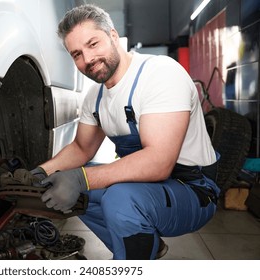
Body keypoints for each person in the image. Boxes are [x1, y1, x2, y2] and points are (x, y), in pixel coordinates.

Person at [30, 4, 220, 260]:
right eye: (76, 54)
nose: (87, 59)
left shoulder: (160, 74)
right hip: (148, 185)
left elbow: (159, 162)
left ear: (113, 35)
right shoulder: (94, 97)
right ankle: (144, 246)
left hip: (193, 189)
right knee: (72, 190)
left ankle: (132, 264)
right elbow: (81, 149)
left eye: (93, 44)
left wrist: (80, 178)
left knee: (119, 198)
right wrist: (42, 173)